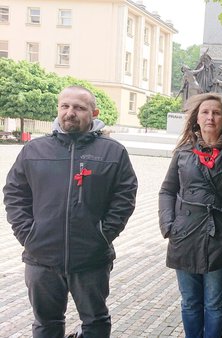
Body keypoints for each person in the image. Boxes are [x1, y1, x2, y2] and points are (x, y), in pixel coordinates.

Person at [3, 85, 138, 338]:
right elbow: (14, 193)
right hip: (41, 257)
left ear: (94, 112)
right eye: (65, 106)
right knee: (46, 323)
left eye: (79, 107)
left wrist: (102, 234)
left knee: (96, 321)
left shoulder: (113, 152)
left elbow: (125, 197)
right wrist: (28, 234)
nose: (70, 113)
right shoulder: (34, 150)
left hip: (91, 257)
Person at [158, 93, 222, 338]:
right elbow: (167, 190)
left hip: (220, 235)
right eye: (205, 112)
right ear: (196, 118)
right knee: (190, 301)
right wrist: (169, 225)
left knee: (214, 302)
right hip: (185, 234)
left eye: (216, 112)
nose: (210, 117)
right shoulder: (184, 152)